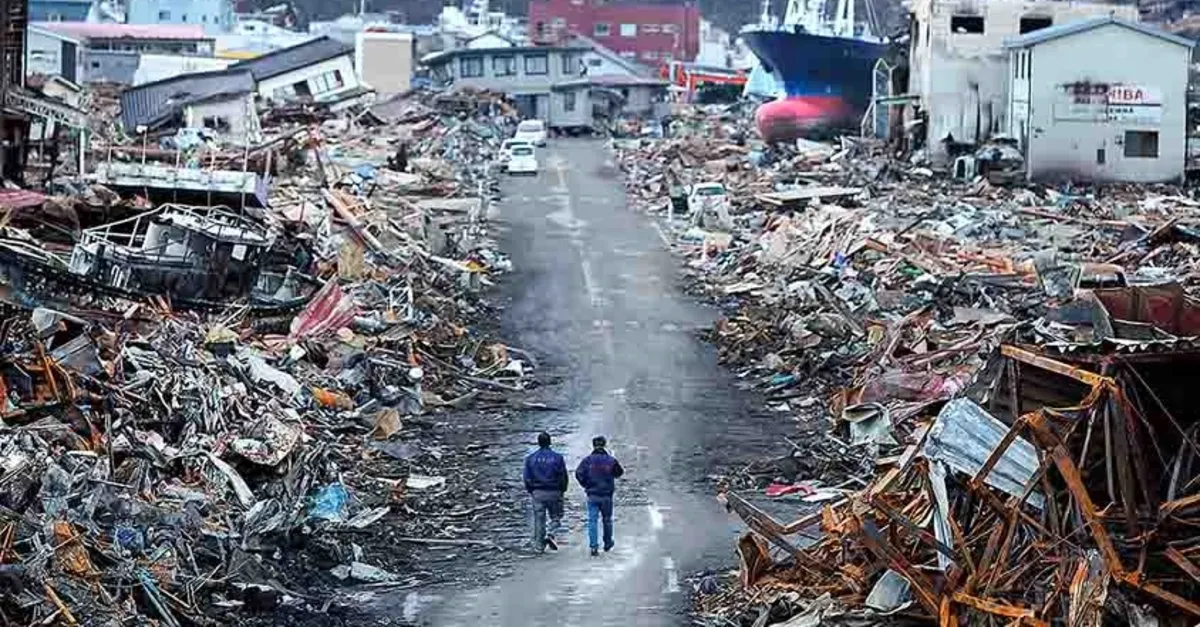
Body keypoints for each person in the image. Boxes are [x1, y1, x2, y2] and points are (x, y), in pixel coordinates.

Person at [575, 436, 625, 556]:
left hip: (592, 494)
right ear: (604, 445)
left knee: (592, 520)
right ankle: (607, 543)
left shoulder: (587, 461)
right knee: (607, 520)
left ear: (593, 445)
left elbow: (578, 473)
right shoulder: (611, 460)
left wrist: (586, 484)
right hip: (606, 495)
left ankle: (593, 546)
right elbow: (619, 472)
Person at [523, 431, 567, 552]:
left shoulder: (530, 458)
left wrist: (531, 490)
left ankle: (539, 547)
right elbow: (563, 476)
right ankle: (550, 533)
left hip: (537, 492)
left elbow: (527, 477)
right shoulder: (558, 457)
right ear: (550, 442)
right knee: (556, 517)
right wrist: (562, 490)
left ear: (538, 443)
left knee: (539, 519)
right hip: (554, 491)